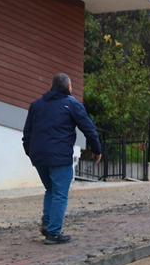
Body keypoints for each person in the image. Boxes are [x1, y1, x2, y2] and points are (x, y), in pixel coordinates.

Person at [22, 73, 101, 244]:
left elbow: (27, 133)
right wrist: (97, 150)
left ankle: (48, 224)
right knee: (60, 194)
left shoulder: (36, 105)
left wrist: (30, 152)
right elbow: (89, 129)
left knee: (50, 190)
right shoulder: (72, 104)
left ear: (52, 86)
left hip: (39, 156)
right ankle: (53, 233)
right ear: (68, 87)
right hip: (60, 157)